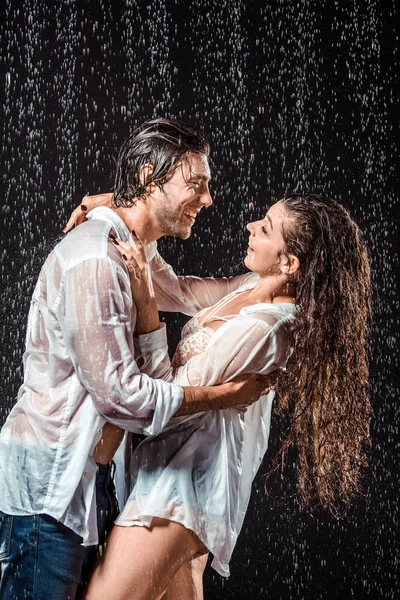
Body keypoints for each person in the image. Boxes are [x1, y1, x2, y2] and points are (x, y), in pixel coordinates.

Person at [0, 119, 266, 600]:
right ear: (149, 178)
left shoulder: (132, 252)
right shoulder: (98, 260)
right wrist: (224, 396)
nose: (207, 200)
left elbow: (203, 296)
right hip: (48, 493)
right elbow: (122, 399)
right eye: (196, 184)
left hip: (88, 484)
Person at [81, 194, 372, 600]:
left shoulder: (271, 329)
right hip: (168, 464)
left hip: (189, 481)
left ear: (289, 264)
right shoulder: (251, 286)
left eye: (266, 228)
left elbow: (171, 396)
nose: (251, 227)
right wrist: (124, 208)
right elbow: (178, 290)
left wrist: (146, 306)